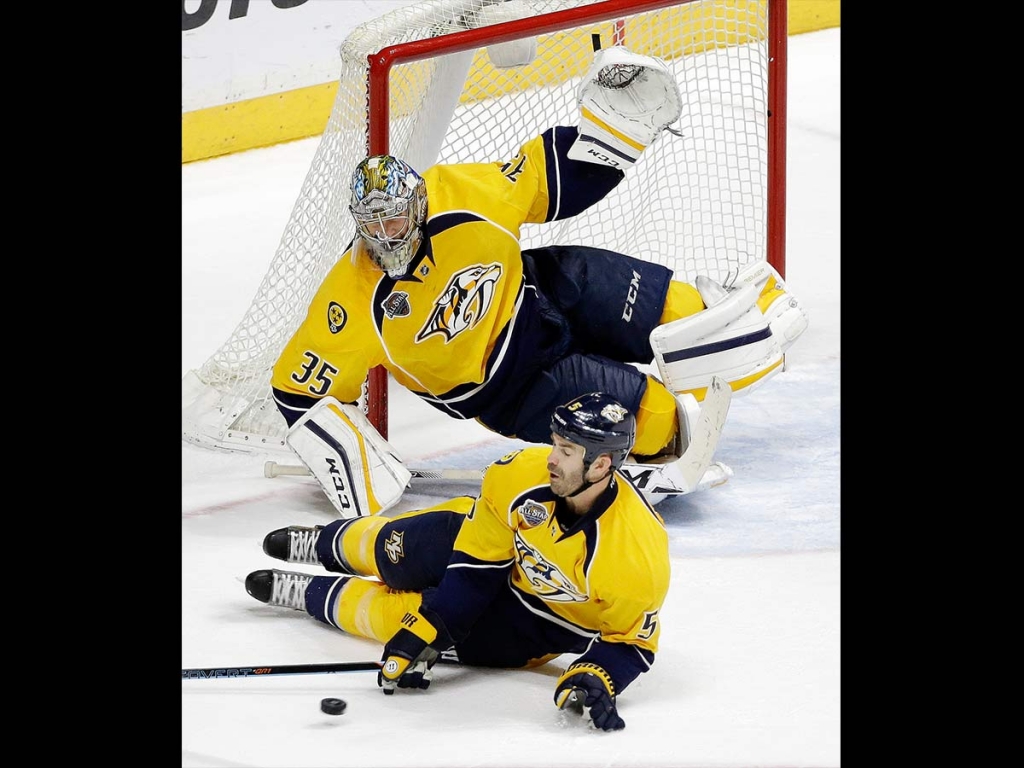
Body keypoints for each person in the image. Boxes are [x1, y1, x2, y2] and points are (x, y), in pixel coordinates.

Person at [268, 46, 808, 516]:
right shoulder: (351, 301)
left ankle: (749, 336)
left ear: (418, 201)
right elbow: (295, 386)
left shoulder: (459, 194)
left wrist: (611, 134)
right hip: (512, 384)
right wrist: (345, 454)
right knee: (660, 422)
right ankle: (654, 450)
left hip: (542, 288)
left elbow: (543, 180)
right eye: (374, 223)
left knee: (686, 312)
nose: (388, 232)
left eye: (397, 215)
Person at [245, 392, 670, 731]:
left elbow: (631, 640)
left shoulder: (636, 555)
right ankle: (327, 544)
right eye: (554, 443)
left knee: (398, 621)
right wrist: (437, 622)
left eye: (566, 450)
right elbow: (478, 564)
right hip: (496, 550)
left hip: (536, 621)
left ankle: (309, 594)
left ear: (600, 464)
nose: (551, 459)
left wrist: (597, 675)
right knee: (400, 551)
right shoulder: (524, 475)